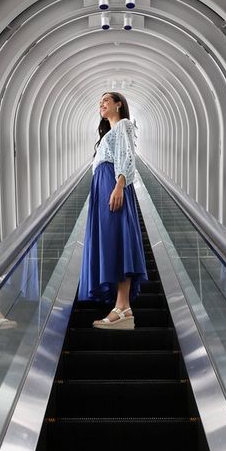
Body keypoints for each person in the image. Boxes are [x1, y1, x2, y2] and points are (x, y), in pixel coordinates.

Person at [78, 92, 148, 329]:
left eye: (106, 100)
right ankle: (121, 306)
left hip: (112, 184)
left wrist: (119, 184)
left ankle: (123, 307)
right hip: (103, 187)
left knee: (119, 238)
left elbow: (127, 155)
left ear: (119, 104)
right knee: (111, 240)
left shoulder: (124, 125)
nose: (102, 104)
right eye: (99, 102)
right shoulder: (108, 135)